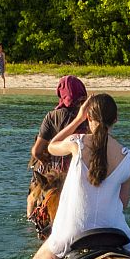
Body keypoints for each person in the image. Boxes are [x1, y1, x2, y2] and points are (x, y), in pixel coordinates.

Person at [30, 94, 130, 259]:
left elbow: (52, 146)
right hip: (116, 230)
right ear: (116, 119)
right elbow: (123, 204)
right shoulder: (128, 157)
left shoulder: (77, 143)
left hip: (74, 231)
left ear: (89, 118)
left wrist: (78, 119)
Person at [27, 76, 87, 235]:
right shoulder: (88, 117)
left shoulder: (51, 116)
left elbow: (36, 151)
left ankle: (31, 225)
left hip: (55, 173)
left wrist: (44, 160)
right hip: (79, 172)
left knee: (32, 198)